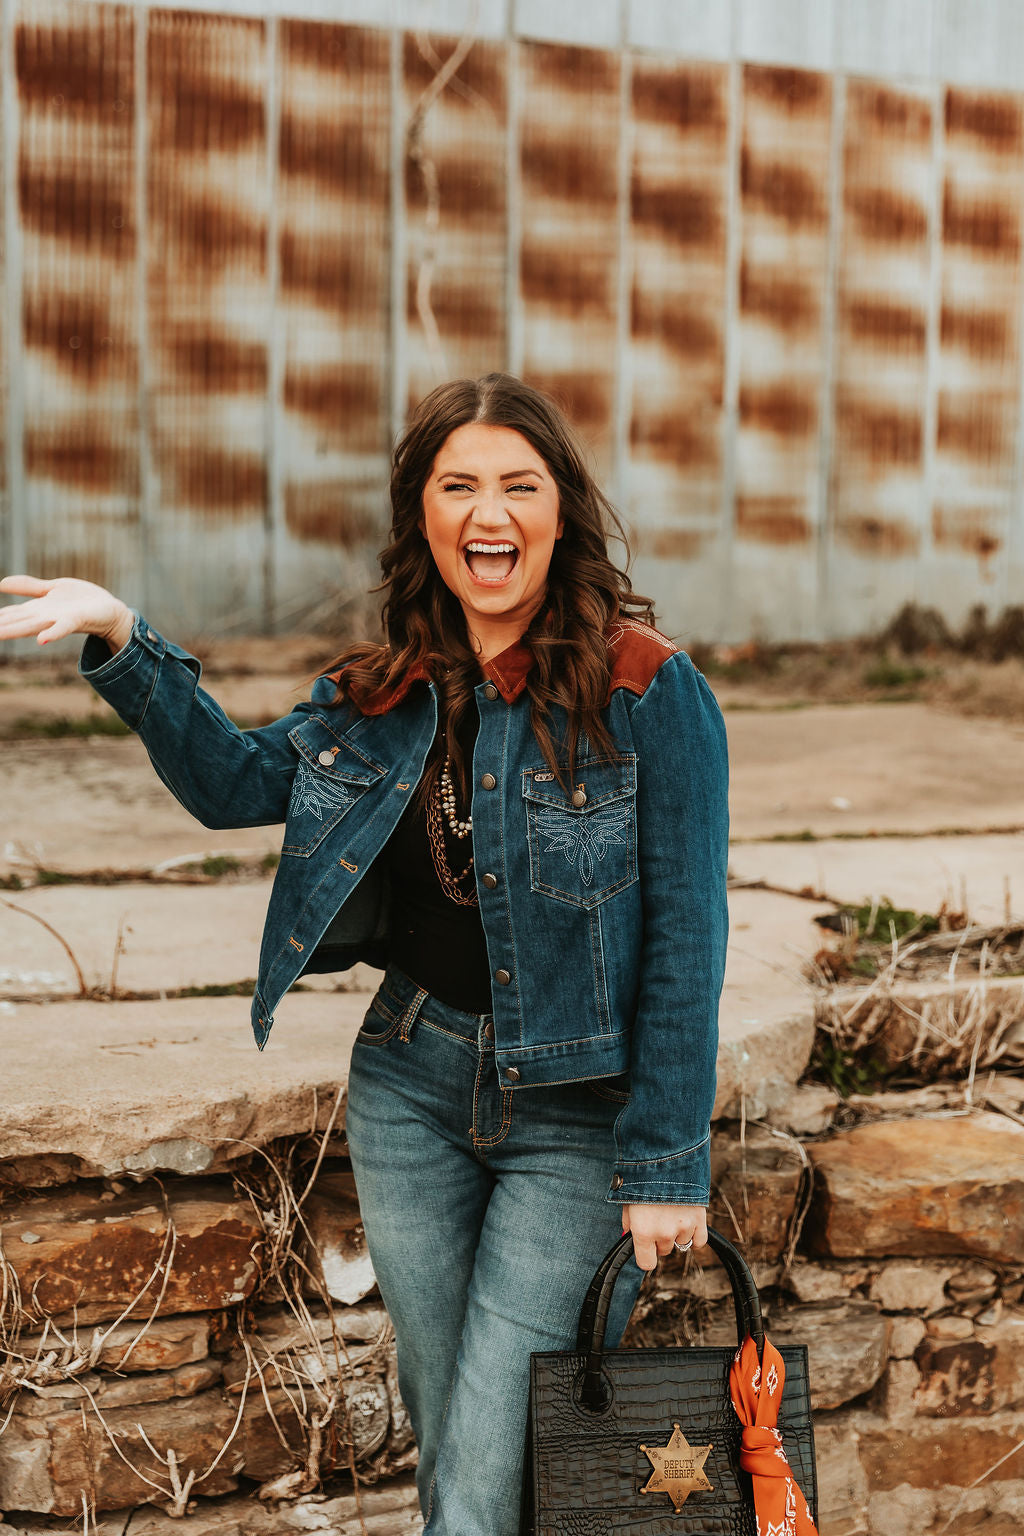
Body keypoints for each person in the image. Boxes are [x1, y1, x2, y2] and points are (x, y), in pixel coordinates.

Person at [0, 372, 729, 1535]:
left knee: (487, 1476)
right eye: (457, 486)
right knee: (455, 1446)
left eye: (518, 485)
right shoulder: (380, 695)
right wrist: (122, 638)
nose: (488, 513)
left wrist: (667, 1164)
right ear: (422, 516)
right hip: (410, 1090)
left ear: (560, 511)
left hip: (578, 1117)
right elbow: (234, 784)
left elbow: (689, 936)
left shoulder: (644, 688)